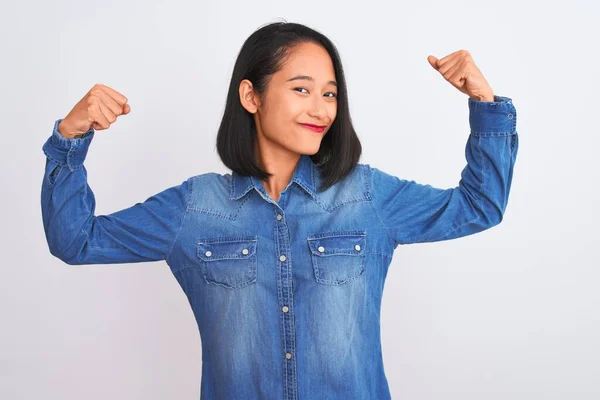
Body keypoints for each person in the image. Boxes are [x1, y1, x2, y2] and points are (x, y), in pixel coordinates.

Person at [41, 21, 518, 400]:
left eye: (329, 93)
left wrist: (485, 104)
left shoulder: (366, 195)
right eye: (302, 89)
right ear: (251, 96)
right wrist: (70, 139)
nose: (322, 109)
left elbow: (479, 206)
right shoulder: (196, 207)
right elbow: (76, 240)